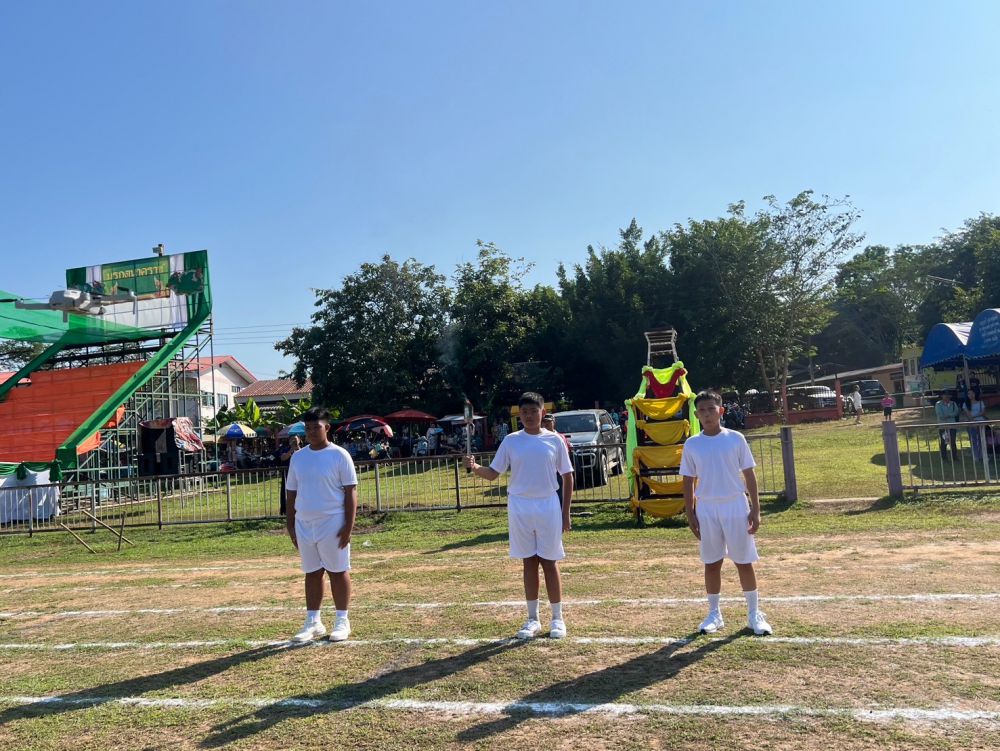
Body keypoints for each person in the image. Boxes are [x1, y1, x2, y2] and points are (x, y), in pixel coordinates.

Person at [464, 392, 574, 639]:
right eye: (524, 412)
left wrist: (565, 512)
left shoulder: (554, 440)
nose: (529, 416)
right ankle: (532, 619)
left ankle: (557, 619)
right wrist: (474, 467)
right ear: (519, 415)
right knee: (529, 561)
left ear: (542, 413)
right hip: (520, 506)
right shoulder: (511, 441)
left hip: (547, 505)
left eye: (534, 411)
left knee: (549, 561)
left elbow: (567, 476)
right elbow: (493, 473)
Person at [681, 390, 772, 636]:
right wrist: (690, 513)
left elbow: (749, 475)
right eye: (702, 410)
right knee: (712, 562)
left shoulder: (736, 439)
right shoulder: (692, 444)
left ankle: (754, 614)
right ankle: (714, 614)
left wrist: (756, 510)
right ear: (696, 415)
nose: (707, 414)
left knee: (743, 561)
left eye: (711, 409)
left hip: (735, 506)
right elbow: (688, 481)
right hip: (707, 508)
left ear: (721, 411)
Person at [285, 408, 358, 643]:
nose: (311, 432)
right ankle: (313, 621)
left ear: (326, 427)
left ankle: (342, 620)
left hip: (333, 521)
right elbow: (291, 493)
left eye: (316, 427)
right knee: (312, 572)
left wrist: (348, 526)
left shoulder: (339, 455)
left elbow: (350, 491)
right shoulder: (298, 458)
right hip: (305, 523)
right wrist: (290, 524)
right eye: (307, 429)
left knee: (338, 570)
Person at [541, 413, 574, 506]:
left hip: (559, 471)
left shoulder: (560, 437)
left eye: (548, 422)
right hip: (546, 472)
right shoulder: (541, 437)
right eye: (544, 422)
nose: (546, 424)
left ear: (553, 422)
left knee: (560, 495)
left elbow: (567, 451)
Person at [277, 436, 302, 515]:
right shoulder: (284, 448)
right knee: (286, 492)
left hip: (299, 474)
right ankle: (285, 510)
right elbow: (283, 458)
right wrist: (291, 450)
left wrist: (297, 448)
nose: (294, 441)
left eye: (295, 439)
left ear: (299, 440)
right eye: (292, 439)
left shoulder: (303, 450)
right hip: (287, 473)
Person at [962, 388, 987, 461]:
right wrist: (973, 421)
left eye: (972, 393)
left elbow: (983, 413)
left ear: (975, 394)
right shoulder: (965, 404)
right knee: (973, 440)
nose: (971, 395)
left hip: (981, 423)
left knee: (981, 440)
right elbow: (968, 415)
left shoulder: (980, 403)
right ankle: (976, 456)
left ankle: (982, 455)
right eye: (969, 394)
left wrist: (975, 416)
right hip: (971, 424)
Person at [935, 391, 960, 461]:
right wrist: (950, 415)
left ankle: (955, 457)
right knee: (944, 442)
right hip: (943, 426)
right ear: (942, 396)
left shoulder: (953, 403)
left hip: (952, 425)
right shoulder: (938, 404)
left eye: (948, 395)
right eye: (945, 395)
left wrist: (948, 415)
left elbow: (956, 412)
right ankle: (944, 457)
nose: (946, 396)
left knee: (953, 442)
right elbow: (940, 414)